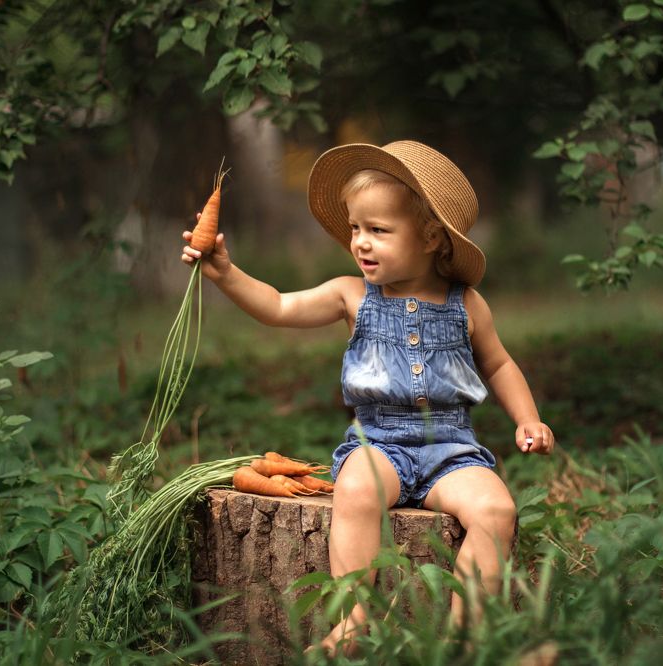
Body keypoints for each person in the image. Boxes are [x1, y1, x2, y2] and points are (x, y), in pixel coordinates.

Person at [181, 140, 555, 654]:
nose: (360, 242)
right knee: (356, 491)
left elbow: (498, 363)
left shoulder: (466, 302)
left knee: (495, 512)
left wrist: (527, 419)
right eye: (356, 228)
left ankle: (466, 634)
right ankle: (354, 618)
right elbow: (279, 306)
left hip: (452, 448)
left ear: (431, 238)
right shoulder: (350, 295)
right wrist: (225, 271)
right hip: (378, 442)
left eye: (378, 230)